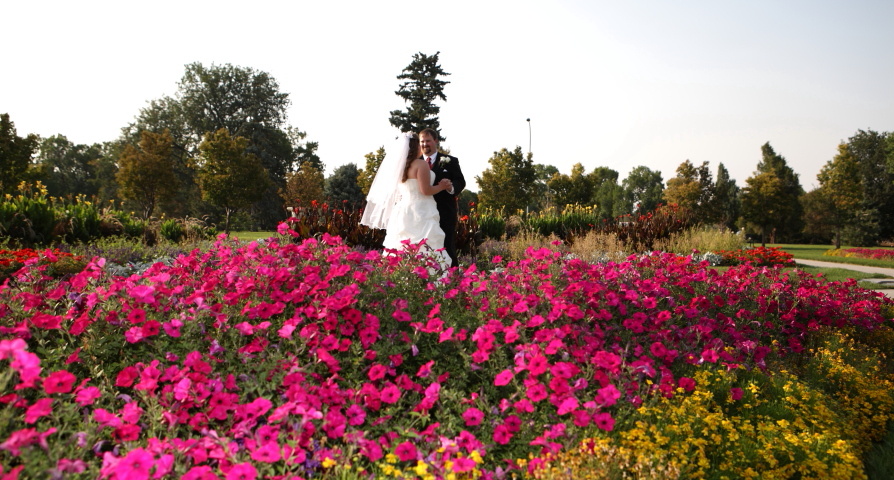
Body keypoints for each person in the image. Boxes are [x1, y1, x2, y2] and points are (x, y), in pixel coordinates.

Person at [360, 132, 453, 270]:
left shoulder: (400, 167)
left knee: (402, 244)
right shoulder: (420, 164)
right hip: (421, 209)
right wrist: (442, 186)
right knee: (425, 245)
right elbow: (425, 191)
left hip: (403, 209)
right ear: (415, 147)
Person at [419, 128, 466, 267]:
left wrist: (451, 187)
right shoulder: (414, 162)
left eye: (428, 141)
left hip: (444, 211)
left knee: (447, 245)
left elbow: (460, 181)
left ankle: (454, 281)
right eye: (422, 141)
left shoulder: (450, 161)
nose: (425, 144)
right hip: (421, 213)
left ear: (435, 141)